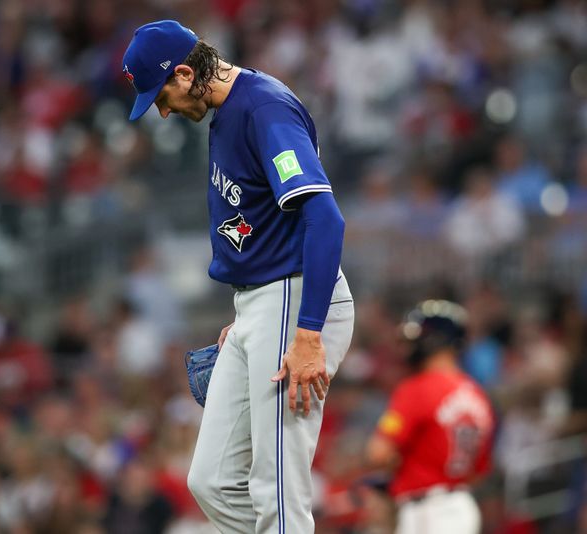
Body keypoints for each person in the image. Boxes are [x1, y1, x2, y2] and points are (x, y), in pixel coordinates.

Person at [122, 20, 355, 533]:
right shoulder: (227, 114)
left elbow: (325, 218)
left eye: (159, 95)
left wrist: (308, 331)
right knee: (211, 480)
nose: (161, 110)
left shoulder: (263, 108)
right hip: (258, 301)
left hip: (295, 300)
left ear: (184, 73)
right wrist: (247, 309)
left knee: (277, 488)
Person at [365, 300, 495, 534]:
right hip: (462, 505)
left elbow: (378, 453)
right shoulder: (478, 395)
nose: (408, 347)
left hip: (426, 512)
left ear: (435, 340)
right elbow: (480, 470)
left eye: (416, 338)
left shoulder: (417, 388)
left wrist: (401, 466)